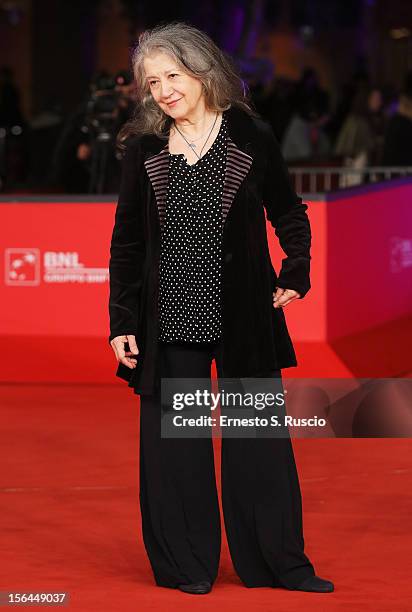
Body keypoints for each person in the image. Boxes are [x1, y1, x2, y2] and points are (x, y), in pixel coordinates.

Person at [108, 21, 334, 595]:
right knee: (177, 452)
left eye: (173, 75)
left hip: (243, 318)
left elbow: (289, 210)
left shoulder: (250, 136)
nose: (163, 91)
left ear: (203, 70)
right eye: (152, 81)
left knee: (256, 443)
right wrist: (122, 322)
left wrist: (296, 270)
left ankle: (277, 564)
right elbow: (128, 243)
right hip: (173, 320)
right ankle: (188, 565)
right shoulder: (144, 149)